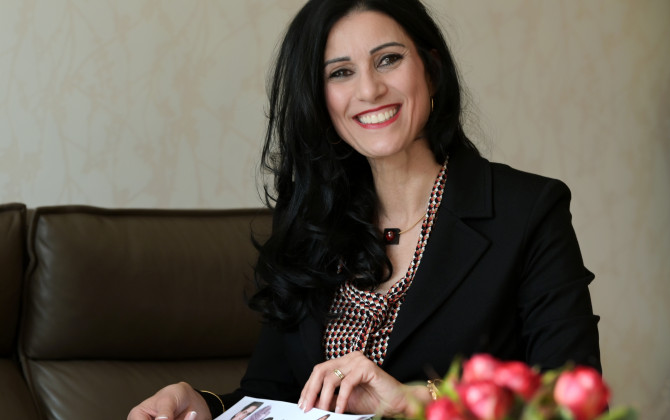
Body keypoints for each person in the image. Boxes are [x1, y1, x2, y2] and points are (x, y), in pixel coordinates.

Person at [128, 1, 601, 419]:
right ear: (321, 99)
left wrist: (415, 402)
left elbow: (570, 400)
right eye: (340, 72)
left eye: (388, 59)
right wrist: (205, 406)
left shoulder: (527, 211)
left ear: (431, 69)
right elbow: (274, 397)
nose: (370, 90)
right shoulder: (310, 223)